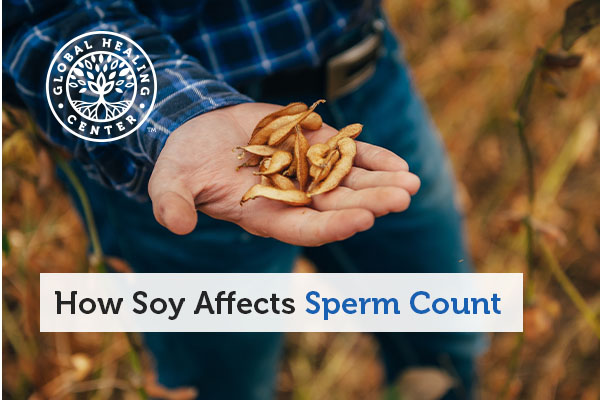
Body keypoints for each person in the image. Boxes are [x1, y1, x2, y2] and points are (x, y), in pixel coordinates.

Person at [4, 1, 485, 398]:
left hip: (365, 69)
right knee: (226, 386)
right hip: (170, 126)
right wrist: (175, 117)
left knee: (445, 335)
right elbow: (31, 16)